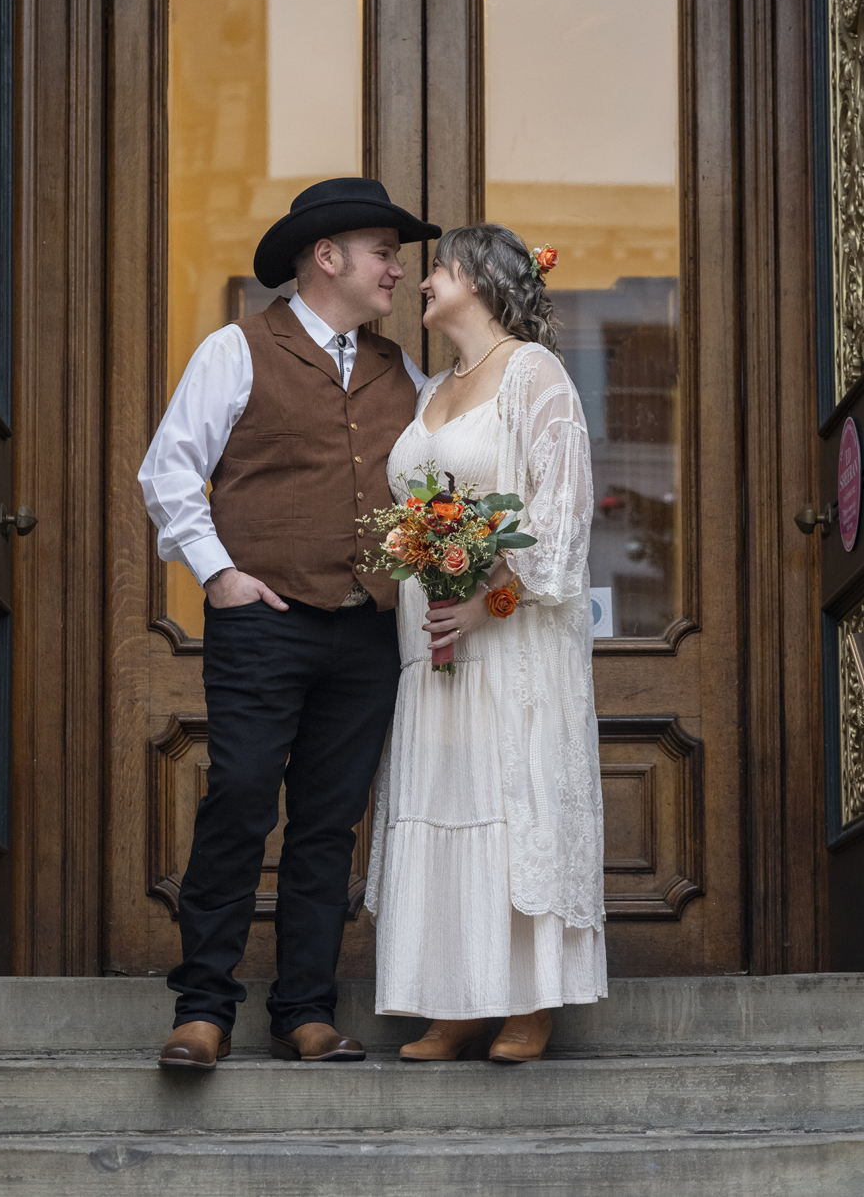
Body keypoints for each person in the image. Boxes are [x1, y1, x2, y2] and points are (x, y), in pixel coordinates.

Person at [138, 178, 440, 1070]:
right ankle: (203, 1009)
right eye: (384, 251)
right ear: (327, 256)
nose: (397, 269)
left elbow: (433, 488)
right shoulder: (236, 349)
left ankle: (306, 1010)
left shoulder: (402, 374)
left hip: (365, 631)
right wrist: (219, 575)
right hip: (263, 621)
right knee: (238, 798)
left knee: (328, 821)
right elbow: (169, 473)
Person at [365, 223, 607, 1063]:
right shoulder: (433, 388)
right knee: (447, 798)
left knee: (510, 801)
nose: (422, 282)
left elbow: (562, 521)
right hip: (428, 648)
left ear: (476, 278)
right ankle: (454, 998)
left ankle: (526, 1002)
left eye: (435, 268)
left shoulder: (535, 376)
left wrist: (485, 602)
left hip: (509, 643)